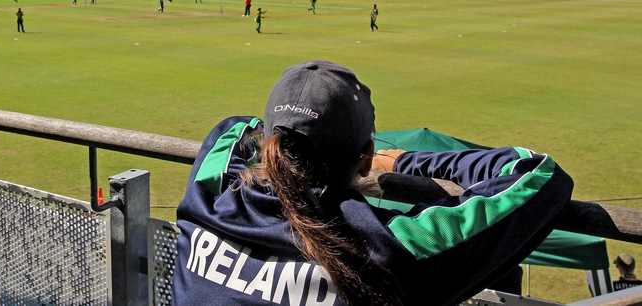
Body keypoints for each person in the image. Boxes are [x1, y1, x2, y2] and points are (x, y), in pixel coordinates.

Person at [173, 60, 573, 306]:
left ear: (270, 144)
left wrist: (284, 130)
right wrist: (405, 160)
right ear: (366, 160)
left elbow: (232, 128)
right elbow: (537, 174)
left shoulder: (209, 198)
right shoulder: (392, 248)